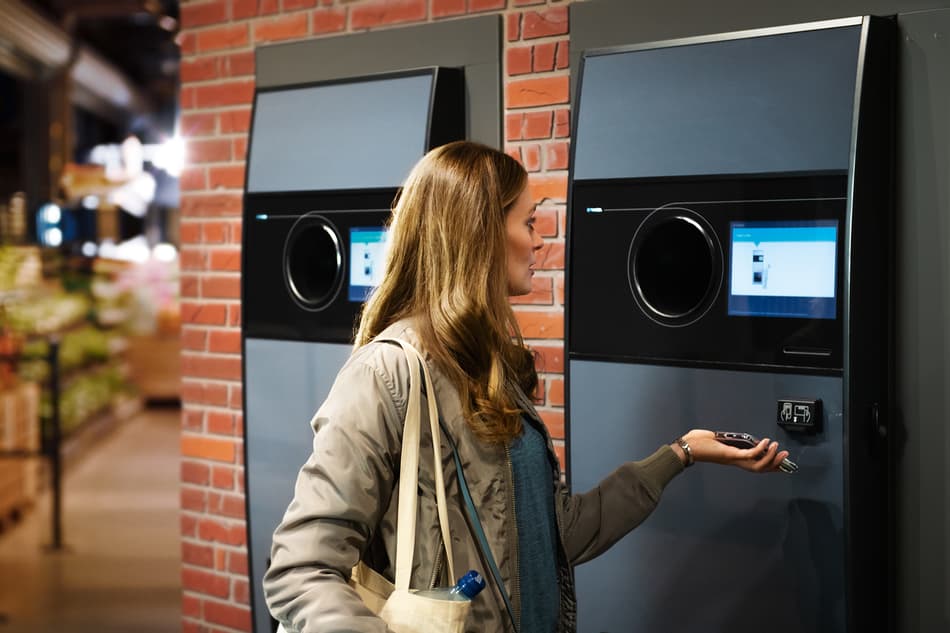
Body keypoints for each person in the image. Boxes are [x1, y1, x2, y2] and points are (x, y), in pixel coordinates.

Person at [263, 141, 791, 633]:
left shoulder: (493, 369)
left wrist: (681, 453)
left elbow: (557, 533)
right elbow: (302, 567)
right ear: (480, 233)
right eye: (529, 222)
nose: (540, 240)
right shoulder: (388, 374)